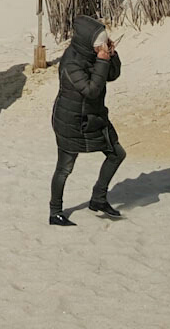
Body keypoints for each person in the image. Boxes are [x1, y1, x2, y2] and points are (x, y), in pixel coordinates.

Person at [48, 15, 125, 226]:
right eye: (100, 43)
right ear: (88, 42)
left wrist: (112, 55)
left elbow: (112, 75)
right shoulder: (71, 63)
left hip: (95, 116)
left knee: (117, 153)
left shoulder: (91, 54)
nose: (103, 46)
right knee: (64, 168)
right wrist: (102, 60)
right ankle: (55, 212)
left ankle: (98, 199)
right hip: (71, 120)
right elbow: (91, 90)